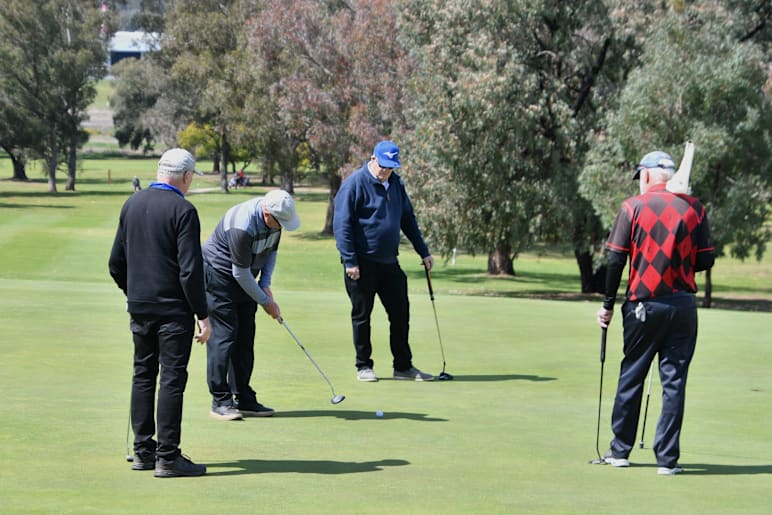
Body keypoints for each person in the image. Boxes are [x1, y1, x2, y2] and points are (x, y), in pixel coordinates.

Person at [596, 150, 715, 475]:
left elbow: (615, 259)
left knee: (632, 375)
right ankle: (667, 461)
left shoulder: (632, 207)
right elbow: (706, 260)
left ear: (647, 175)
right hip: (683, 307)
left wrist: (607, 304)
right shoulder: (695, 208)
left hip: (643, 306)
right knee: (674, 382)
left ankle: (620, 451)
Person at [108, 148, 211, 478]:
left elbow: (115, 264)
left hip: (139, 308)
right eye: (192, 176)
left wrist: (134, 293)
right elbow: (190, 271)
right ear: (185, 175)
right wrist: (202, 314)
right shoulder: (184, 210)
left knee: (143, 375)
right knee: (171, 378)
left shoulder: (131, 204)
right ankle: (167, 457)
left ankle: (143, 452)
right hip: (172, 312)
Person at [333, 140, 435, 382]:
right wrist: (350, 261)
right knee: (362, 315)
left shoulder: (396, 185)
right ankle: (363, 366)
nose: (385, 171)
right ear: (372, 159)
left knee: (401, 313)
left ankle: (403, 367)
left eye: (391, 167)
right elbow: (342, 226)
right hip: (361, 263)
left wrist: (424, 251)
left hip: (389, 262)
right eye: (383, 165)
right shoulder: (354, 185)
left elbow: (407, 219)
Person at [202, 189, 300, 420]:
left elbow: (271, 252)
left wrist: (265, 284)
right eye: (279, 222)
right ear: (266, 212)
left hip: (245, 276)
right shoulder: (242, 225)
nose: (280, 227)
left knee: (245, 338)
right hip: (220, 275)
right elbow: (240, 273)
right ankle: (220, 401)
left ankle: (244, 397)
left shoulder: (276, 221)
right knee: (224, 337)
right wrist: (266, 302)